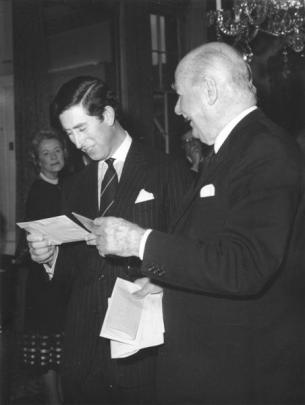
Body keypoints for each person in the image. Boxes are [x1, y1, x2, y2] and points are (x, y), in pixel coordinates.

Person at [76, 42, 305, 404]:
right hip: (216, 366)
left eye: (181, 96)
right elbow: (214, 248)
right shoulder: (232, 150)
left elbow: (245, 265)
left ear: (210, 90)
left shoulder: (264, 149)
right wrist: (169, 286)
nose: (178, 109)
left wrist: (140, 242)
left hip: (241, 374)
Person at [27, 76, 191, 404]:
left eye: (82, 129)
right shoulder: (75, 186)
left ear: (108, 115)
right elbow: (74, 269)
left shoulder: (166, 170)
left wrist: (164, 282)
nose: (76, 143)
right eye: (69, 133)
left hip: (142, 352)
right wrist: (49, 258)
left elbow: (192, 253)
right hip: (82, 352)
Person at [19, 129, 68, 405]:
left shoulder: (66, 184)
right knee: (49, 351)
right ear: (37, 161)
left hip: (62, 278)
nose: (53, 157)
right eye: (46, 154)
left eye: (57, 151)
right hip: (45, 283)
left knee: (60, 349)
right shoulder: (39, 192)